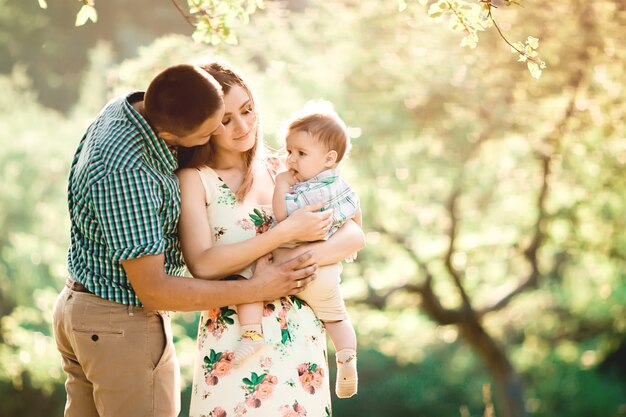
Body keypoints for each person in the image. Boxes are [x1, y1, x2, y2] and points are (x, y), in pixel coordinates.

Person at [53, 63, 332, 417]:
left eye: (244, 111)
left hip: (90, 311)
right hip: (117, 321)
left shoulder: (134, 107)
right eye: (211, 129)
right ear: (171, 135)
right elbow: (155, 288)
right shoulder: (130, 172)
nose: (235, 128)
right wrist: (260, 286)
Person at [176, 62, 365, 416]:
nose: (243, 126)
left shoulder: (290, 166)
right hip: (234, 344)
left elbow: (354, 234)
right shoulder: (195, 179)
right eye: (226, 119)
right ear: (205, 125)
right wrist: (285, 234)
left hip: (301, 341)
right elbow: (202, 264)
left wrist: (301, 258)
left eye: (247, 110)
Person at [229, 101, 362, 399]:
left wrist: (280, 185)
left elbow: (283, 218)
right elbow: (356, 214)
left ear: (329, 158)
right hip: (324, 274)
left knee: (243, 275)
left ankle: (251, 333)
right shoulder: (342, 186)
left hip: (286, 264)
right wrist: (351, 243)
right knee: (337, 318)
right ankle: (347, 359)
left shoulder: (300, 189)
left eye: (300, 153)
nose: (290, 160)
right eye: (289, 152)